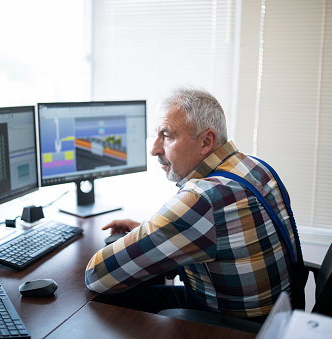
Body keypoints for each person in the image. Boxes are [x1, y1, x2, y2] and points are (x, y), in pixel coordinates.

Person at [85, 87, 304, 320]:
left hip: (234, 326)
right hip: (281, 313)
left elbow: (98, 275)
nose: (154, 149)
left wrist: (151, 235)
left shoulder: (201, 199)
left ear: (206, 141)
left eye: (167, 136)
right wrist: (154, 233)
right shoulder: (257, 167)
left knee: (114, 301)